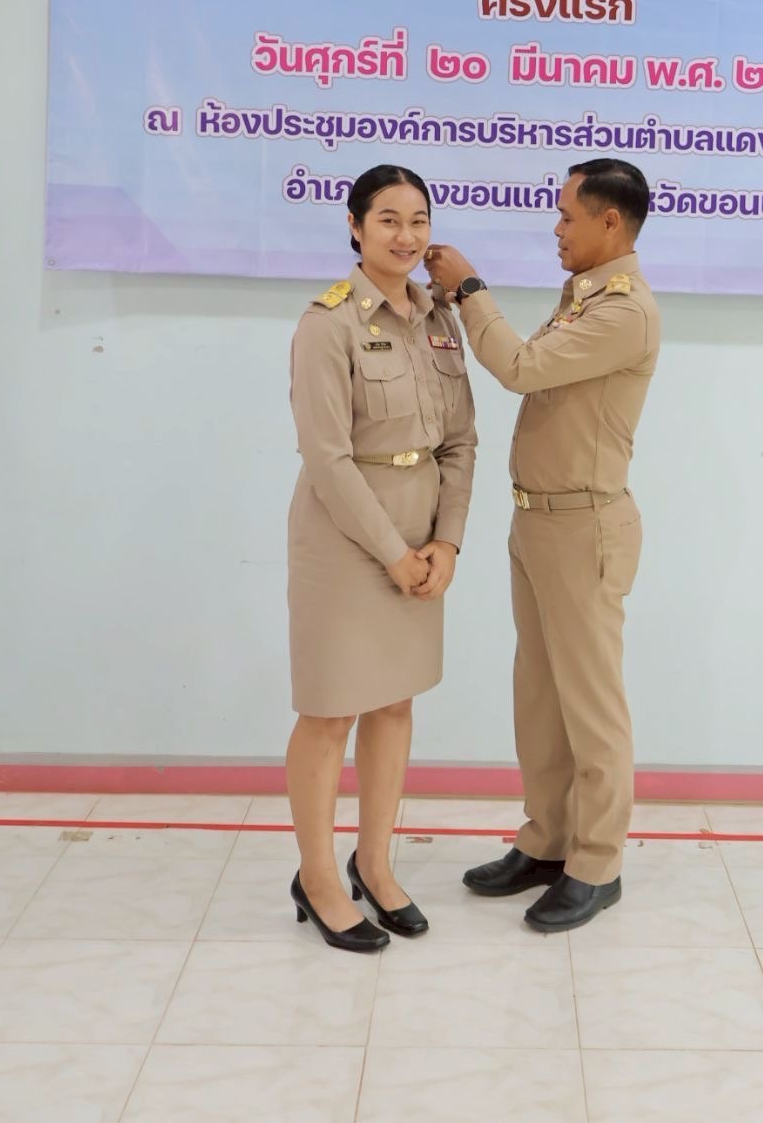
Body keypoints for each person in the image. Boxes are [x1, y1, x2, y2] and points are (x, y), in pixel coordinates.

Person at [425, 158, 659, 933]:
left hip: (585, 527)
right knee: (541, 697)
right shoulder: (584, 296)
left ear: (609, 222)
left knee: (591, 705)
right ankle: (548, 840)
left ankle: (596, 863)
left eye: (566, 216)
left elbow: (521, 369)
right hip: (539, 522)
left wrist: (469, 288)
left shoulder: (625, 311)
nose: (556, 229)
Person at [285, 164, 477, 952]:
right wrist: (395, 553)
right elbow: (327, 458)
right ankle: (317, 878)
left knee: (394, 703)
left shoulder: (440, 319)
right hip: (345, 539)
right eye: (389, 219)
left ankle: (373, 863)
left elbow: (460, 442)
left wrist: (446, 541)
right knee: (330, 710)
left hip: (421, 537)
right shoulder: (327, 323)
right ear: (356, 226)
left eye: (419, 220)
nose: (406, 235)